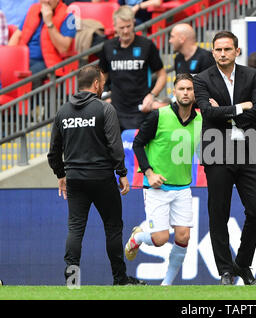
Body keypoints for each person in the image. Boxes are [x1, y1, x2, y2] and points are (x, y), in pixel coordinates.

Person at [47, 65, 145, 286]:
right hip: (102, 178)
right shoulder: (104, 109)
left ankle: (72, 282)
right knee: (112, 227)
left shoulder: (63, 112)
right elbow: (115, 145)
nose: (103, 85)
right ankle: (120, 279)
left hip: (75, 179)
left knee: (75, 228)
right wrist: (122, 172)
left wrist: (61, 174)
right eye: (102, 82)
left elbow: (53, 151)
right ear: (96, 84)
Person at [193, 31, 256, 285]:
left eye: (227, 49)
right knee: (218, 213)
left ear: (237, 51)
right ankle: (225, 270)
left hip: (248, 151)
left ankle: (242, 264)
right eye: (218, 50)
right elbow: (206, 112)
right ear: (212, 52)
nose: (223, 54)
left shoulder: (252, 75)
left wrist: (226, 114)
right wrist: (240, 107)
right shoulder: (202, 79)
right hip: (216, 151)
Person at [124, 73, 202, 286]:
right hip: (157, 187)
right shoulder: (159, 116)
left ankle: (166, 285)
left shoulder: (202, 119)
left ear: (195, 93)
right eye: (181, 89)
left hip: (183, 187)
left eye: (190, 89)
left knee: (183, 237)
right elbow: (138, 144)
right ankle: (138, 237)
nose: (185, 93)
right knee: (159, 240)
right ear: (174, 92)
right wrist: (149, 173)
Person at [98, 5, 167, 131]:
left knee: (138, 149)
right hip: (116, 110)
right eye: (121, 27)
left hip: (141, 109)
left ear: (133, 23)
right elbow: (102, 75)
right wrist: (101, 96)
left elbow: (162, 75)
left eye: (128, 26)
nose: (125, 31)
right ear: (114, 27)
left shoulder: (146, 45)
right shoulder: (108, 47)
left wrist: (151, 95)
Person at [8, 0, 76, 77]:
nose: (46, 1)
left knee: (28, 76)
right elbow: (17, 35)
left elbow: (63, 48)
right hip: (24, 58)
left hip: (47, 63)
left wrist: (49, 23)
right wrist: (8, 57)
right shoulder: (33, 9)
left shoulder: (68, 16)